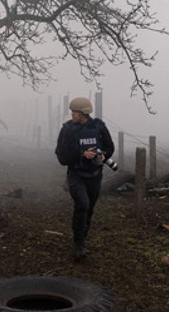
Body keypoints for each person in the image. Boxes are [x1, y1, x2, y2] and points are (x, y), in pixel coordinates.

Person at [54, 97, 115, 262]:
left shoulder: (99, 127)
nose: (72, 114)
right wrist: (81, 154)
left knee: (89, 209)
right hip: (76, 174)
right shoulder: (67, 130)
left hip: (95, 175)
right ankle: (78, 243)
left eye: (74, 112)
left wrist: (103, 155)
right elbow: (61, 156)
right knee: (82, 204)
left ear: (83, 113)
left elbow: (110, 147)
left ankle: (82, 237)